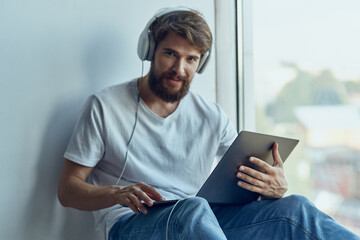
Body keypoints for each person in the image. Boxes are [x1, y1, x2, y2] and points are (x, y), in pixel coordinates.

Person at [57, 7, 359, 240]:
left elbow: (249, 169)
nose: (179, 68)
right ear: (149, 51)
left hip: (197, 220)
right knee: (192, 209)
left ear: (200, 63)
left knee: (296, 208)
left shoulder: (210, 116)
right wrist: (117, 193)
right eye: (170, 54)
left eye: (191, 59)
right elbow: (68, 190)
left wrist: (274, 185)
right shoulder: (104, 106)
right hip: (131, 226)